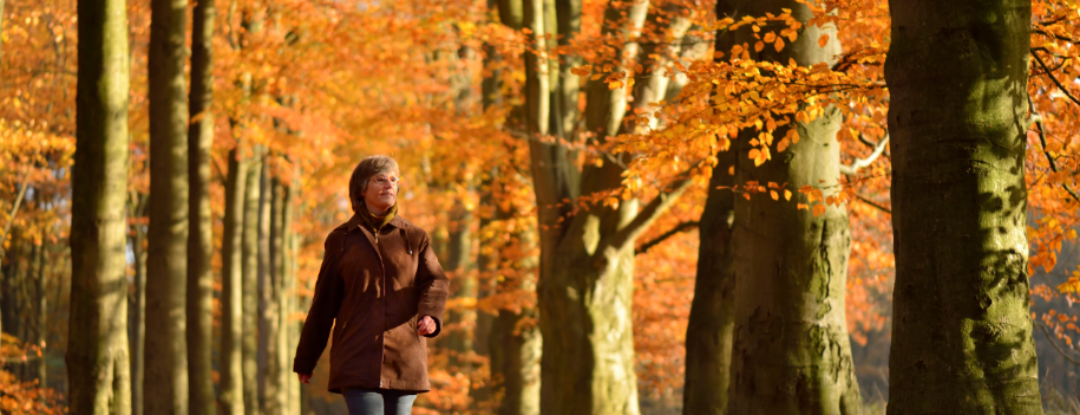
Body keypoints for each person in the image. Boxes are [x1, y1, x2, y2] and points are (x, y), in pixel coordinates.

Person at [293, 155, 449, 415]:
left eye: (393, 179)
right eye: (380, 179)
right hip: (356, 355)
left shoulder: (414, 236)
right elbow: (324, 302)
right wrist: (307, 358)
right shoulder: (341, 239)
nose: (389, 184)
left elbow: (435, 280)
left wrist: (431, 314)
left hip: (405, 356)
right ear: (361, 190)